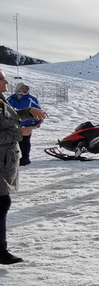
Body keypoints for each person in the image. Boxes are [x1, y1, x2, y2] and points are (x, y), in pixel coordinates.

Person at [0, 70, 47, 264]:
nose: (6, 81)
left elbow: (10, 116)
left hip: (6, 161)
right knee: (2, 203)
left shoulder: (1, 99)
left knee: (2, 203)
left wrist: (28, 112)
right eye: (2, 78)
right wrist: (20, 133)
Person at [7, 84, 42, 166]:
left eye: (25, 88)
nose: (23, 89)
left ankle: (25, 158)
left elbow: (38, 111)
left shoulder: (31, 99)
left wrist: (36, 124)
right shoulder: (11, 99)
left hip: (27, 125)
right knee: (13, 143)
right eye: (21, 88)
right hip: (14, 125)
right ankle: (14, 159)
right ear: (17, 89)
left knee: (25, 142)